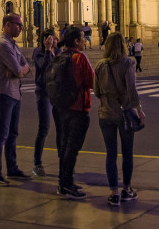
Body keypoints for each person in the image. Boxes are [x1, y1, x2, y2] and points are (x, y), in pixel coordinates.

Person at [94, 32, 145, 206]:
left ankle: (114, 193)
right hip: (124, 113)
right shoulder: (128, 63)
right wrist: (139, 110)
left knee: (111, 154)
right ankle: (127, 189)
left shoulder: (100, 65)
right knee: (127, 153)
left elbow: (97, 91)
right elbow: (131, 90)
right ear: (123, 45)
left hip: (106, 113)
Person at [0, 13, 31, 186]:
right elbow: (18, 69)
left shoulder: (14, 44)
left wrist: (19, 71)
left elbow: (26, 67)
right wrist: (19, 71)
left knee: (13, 133)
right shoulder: (3, 45)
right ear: (8, 25)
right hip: (4, 93)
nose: (21, 28)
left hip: (15, 93)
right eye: (18, 24)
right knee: (2, 135)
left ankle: (12, 168)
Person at [55, 26, 94, 200]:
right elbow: (92, 82)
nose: (85, 40)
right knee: (73, 148)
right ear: (76, 41)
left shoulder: (60, 56)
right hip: (78, 108)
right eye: (83, 38)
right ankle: (67, 184)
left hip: (62, 108)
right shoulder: (80, 58)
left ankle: (63, 182)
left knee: (64, 146)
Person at [31, 28, 60, 177]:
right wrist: (48, 50)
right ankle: (37, 163)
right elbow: (44, 67)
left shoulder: (60, 53)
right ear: (44, 40)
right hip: (44, 94)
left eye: (54, 38)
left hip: (58, 95)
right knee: (44, 128)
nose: (53, 41)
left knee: (61, 129)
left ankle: (64, 164)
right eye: (49, 39)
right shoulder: (38, 52)